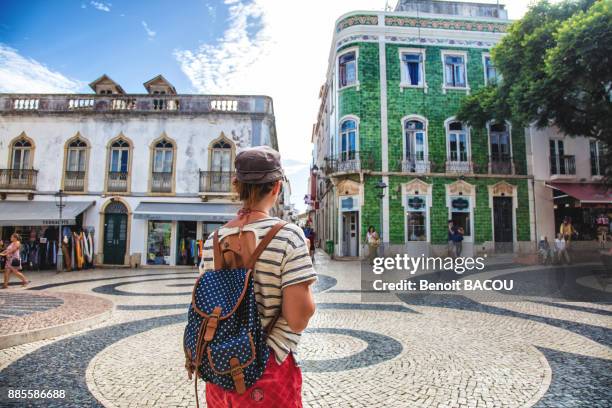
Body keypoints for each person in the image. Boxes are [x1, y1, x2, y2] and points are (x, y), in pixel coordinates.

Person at [200, 146, 316, 407]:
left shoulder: (212, 241)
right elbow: (298, 318)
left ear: (236, 186)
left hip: (219, 371)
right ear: (276, 187)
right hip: (267, 371)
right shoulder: (290, 236)